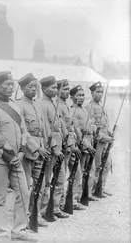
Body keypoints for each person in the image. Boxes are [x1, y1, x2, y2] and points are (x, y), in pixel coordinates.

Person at [0, 71, 37, 242]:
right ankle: (3, 233)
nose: (10, 87)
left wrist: (21, 151)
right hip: (0, 159)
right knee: (0, 197)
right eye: (6, 84)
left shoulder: (16, 106)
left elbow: (23, 132)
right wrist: (8, 155)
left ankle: (19, 230)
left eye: (11, 84)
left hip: (17, 158)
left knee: (24, 192)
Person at [16, 73, 50, 228]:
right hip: (28, 151)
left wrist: (45, 145)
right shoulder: (19, 105)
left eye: (35, 87)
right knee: (26, 186)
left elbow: (43, 128)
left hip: (41, 149)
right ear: (22, 88)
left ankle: (35, 215)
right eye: (30, 87)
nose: (34, 89)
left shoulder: (37, 104)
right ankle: (24, 217)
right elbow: (23, 131)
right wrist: (37, 147)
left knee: (40, 186)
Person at [38, 76, 69, 220]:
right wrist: (54, 147)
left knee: (59, 178)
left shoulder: (53, 104)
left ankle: (55, 207)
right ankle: (43, 211)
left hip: (58, 147)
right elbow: (46, 128)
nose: (56, 90)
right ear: (44, 89)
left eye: (57, 88)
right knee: (46, 180)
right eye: (53, 88)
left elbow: (58, 127)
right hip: (50, 148)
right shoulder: (42, 105)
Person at [56, 79, 85, 211]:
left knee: (76, 173)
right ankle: (58, 205)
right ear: (57, 91)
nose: (67, 92)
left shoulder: (66, 105)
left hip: (71, 146)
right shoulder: (58, 106)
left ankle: (70, 201)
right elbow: (62, 129)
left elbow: (72, 127)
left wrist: (74, 144)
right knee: (60, 177)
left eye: (68, 89)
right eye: (64, 89)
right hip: (63, 147)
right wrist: (71, 145)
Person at [69, 85, 99, 202]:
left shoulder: (84, 110)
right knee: (78, 173)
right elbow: (77, 132)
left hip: (89, 143)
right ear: (72, 97)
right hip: (82, 145)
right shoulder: (73, 111)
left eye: (82, 95)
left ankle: (85, 195)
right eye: (78, 95)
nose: (81, 98)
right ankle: (73, 198)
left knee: (89, 171)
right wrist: (87, 145)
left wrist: (96, 128)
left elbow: (90, 126)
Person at [86, 81, 114, 197]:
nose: (100, 94)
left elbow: (105, 123)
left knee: (107, 165)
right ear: (92, 92)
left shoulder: (102, 106)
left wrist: (110, 134)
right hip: (98, 141)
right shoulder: (90, 107)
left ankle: (101, 188)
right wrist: (104, 137)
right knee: (97, 166)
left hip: (106, 140)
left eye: (102, 92)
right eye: (98, 92)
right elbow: (92, 126)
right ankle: (93, 190)